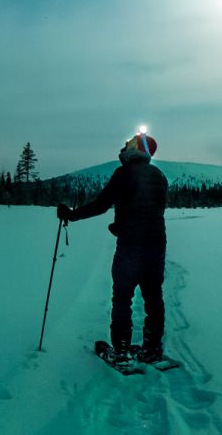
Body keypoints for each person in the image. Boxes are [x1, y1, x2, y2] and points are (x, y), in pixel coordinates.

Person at [57, 131, 169, 365]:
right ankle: (152, 347)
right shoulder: (159, 175)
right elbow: (151, 210)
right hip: (156, 246)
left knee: (122, 296)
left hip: (131, 246)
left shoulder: (123, 174)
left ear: (136, 148)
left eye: (129, 143)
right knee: (153, 296)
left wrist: (72, 215)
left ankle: (121, 348)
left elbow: (101, 204)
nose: (125, 146)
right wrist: (119, 225)